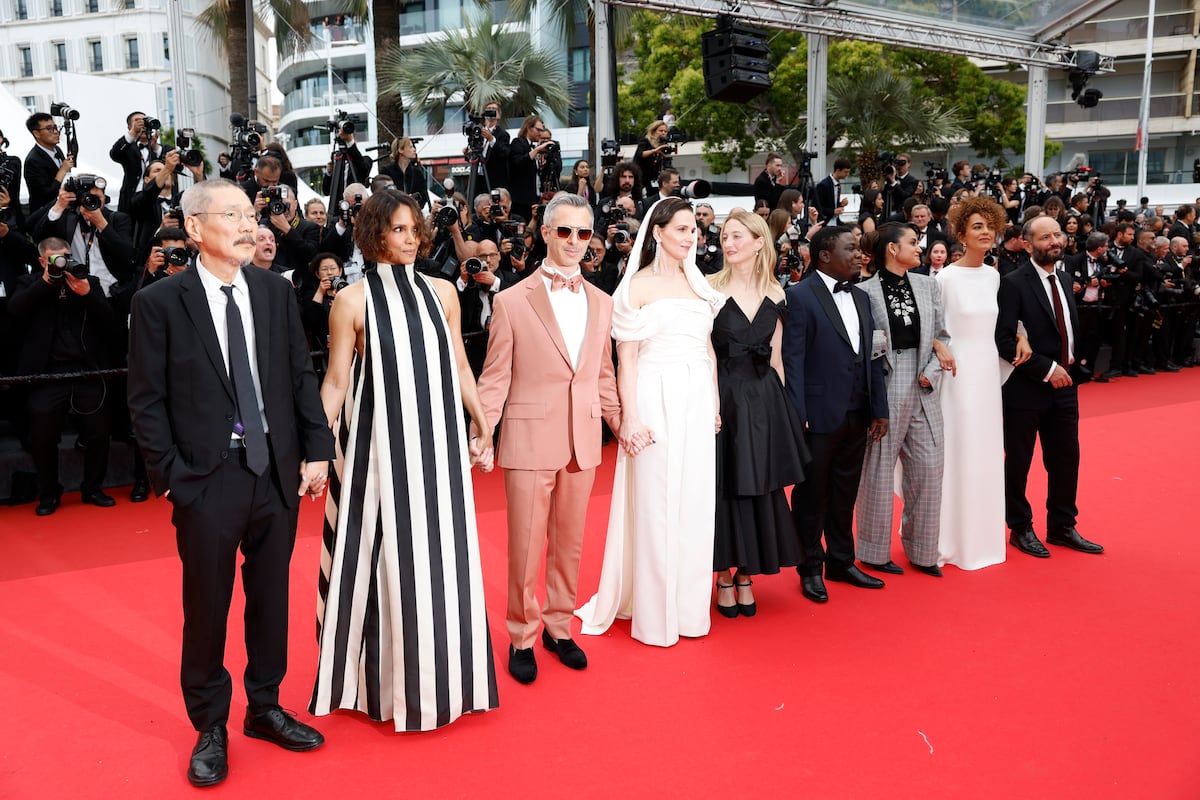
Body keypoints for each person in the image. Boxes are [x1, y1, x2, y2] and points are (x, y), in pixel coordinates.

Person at [127, 179, 336, 787]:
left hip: (275, 473)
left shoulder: (274, 292)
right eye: (233, 216)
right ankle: (210, 723)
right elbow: (146, 402)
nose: (250, 226)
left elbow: (300, 376)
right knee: (208, 605)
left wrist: (316, 450)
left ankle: (265, 706)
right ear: (196, 229)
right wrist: (173, 479)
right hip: (206, 480)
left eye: (252, 215)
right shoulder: (162, 302)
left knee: (272, 596)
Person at [310, 189, 498, 731]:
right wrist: (318, 450)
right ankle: (378, 685)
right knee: (378, 558)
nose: (410, 238)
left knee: (442, 561)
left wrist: (483, 420)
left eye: (414, 228)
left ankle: (446, 678)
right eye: (397, 229)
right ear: (374, 235)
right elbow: (338, 381)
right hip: (376, 446)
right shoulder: (352, 300)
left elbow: (461, 366)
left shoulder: (443, 292)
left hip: (438, 446)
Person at [474, 192, 621, 683]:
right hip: (529, 439)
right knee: (526, 545)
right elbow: (495, 376)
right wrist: (483, 431)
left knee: (570, 544)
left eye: (584, 233)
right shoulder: (511, 300)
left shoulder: (601, 301)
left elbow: (603, 375)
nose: (575, 242)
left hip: (583, 439)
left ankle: (561, 626)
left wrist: (623, 426)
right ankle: (522, 634)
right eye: (565, 231)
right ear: (545, 234)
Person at [577, 196, 725, 647]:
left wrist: (715, 405)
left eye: (693, 229)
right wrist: (630, 420)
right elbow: (627, 361)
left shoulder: (700, 285)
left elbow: (708, 351)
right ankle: (656, 618)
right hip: (655, 398)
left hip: (698, 401)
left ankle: (689, 613)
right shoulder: (636, 286)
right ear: (657, 232)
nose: (691, 236)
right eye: (681, 229)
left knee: (696, 506)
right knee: (658, 504)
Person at [708, 211, 808, 617]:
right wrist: (708, 402)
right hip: (724, 398)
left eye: (735, 236)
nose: (727, 244)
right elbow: (704, 354)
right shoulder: (709, 289)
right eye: (724, 237)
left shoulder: (778, 293)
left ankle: (747, 571)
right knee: (726, 486)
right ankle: (723, 573)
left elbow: (779, 357)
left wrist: (786, 409)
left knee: (761, 483)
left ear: (758, 241)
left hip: (765, 398)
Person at [782, 226, 889, 603]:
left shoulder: (861, 297)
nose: (860, 254)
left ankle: (842, 561)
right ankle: (810, 566)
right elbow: (791, 361)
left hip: (859, 412)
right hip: (817, 415)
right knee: (812, 495)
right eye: (852, 248)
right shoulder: (798, 296)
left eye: (860, 249)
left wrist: (880, 409)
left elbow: (873, 355)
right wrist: (799, 415)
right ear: (825, 255)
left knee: (845, 491)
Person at [997, 215, 1104, 558]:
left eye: (1057, 235)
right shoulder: (1012, 283)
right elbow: (1002, 340)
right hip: (1027, 387)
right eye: (1046, 237)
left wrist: (1073, 366)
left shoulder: (1065, 276)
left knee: (1065, 458)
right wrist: (1047, 368)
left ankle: (1062, 525)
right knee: (1020, 461)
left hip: (1066, 386)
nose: (1055, 241)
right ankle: (1020, 527)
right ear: (1028, 244)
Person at [856, 223, 953, 578]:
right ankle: (873, 551)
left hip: (924, 383)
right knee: (879, 474)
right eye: (913, 242)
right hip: (885, 384)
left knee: (929, 469)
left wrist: (933, 370)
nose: (919, 247)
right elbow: (863, 347)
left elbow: (943, 336)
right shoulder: (863, 292)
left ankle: (924, 551)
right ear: (892, 249)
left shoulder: (929, 285)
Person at [9, 237, 117, 515]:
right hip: (47, 372)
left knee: (99, 433)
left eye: (66, 256)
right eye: (56, 258)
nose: (63, 262)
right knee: (43, 438)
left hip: (87, 370)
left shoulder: (87, 281)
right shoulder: (27, 282)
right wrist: (45, 283)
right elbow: (13, 312)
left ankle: (92, 488)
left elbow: (110, 322)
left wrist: (86, 294)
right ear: (42, 261)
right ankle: (49, 492)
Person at [936, 197, 1013, 570]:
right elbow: (933, 327)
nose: (985, 232)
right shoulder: (945, 278)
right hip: (957, 374)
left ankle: (982, 538)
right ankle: (949, 540)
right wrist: (938, 346)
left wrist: (1024, 335)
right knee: (959, 451)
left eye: (989, 226)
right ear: (961, 233)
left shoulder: (994, 275)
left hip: (986, 373)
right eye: (977, 226)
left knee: (984, 451)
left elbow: (1000, 323)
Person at [24, 112, 73, 215]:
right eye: (49, 129)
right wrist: (62, 170)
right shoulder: (33, 161)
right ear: (37, 134)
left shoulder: (57, 150)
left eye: (56, 127)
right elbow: (46, 194)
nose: (56, 132)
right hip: (45, 215)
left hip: (63, 211)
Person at [380, 137, 428, 209]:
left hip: (413, 212)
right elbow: (383, 196)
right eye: (411, 147)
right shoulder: (386, 171)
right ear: (401, 150)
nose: (414, 149)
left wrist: (417, 202)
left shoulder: (417, 172)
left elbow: (424, 195)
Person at [634, 121, 672, 188]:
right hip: (641, 176)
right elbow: (640, 154)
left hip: (654, 178)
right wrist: (655, 150)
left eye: (665, 131)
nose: (663, 133)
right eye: (661, 131)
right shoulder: (645, 141)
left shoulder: (663, 144)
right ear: (654, 131)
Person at [815, 157, 852, 223]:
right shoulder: (823, 185)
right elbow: (816, 206)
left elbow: (833, 205)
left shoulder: (838, 184)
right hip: (825, 222)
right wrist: (833, 211)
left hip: (835, 221)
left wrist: (841, 204)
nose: (847, 174)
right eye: (845, 172)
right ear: (838, 170)